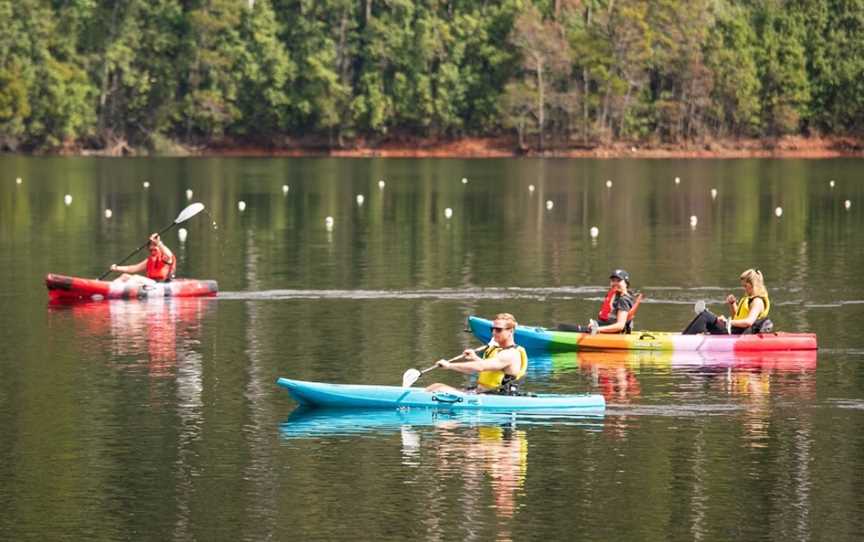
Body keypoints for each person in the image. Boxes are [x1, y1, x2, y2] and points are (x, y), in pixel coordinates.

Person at [426, 313, 528, 395]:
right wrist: (474, 358)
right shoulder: (499, 350)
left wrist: (449, 365)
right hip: (482, 392)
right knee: (435, 386)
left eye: (498, 330)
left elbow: (481, 367)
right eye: (492, 329)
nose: (493, 333)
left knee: (438, 390)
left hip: (496, 396)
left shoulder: (510, 354)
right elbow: (490, 368)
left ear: (510, 331)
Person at [683, 268, 772, 335]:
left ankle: (685, 339)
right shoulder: (749, 298)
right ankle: (686, 335)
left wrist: (726, 321)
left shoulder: (757, 301)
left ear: (753, 285)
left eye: (745, 286)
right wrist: (732, 304)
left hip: (736, 332)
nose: (744, 288)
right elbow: (737, 317)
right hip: (734, 329)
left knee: (706, 316)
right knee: (704, 315)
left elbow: (748, 322)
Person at [557, 269, 636, 334]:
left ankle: (545, 335)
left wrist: (598, 329)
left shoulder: (623, 300)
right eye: (613, 280)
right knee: (562, 327)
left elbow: (620, 326)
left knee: (562, 327)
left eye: (618, 281)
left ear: (626, 283)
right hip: (608, 329)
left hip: (615, 333)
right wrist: (596, 324)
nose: (614, 283)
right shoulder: (616, 296)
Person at [110, 233, 176, 285]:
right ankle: (109, 286)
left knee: (135, 277)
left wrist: (158, 243)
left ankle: (118, 290)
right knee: (124, 276)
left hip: (161, 284)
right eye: (151, 247)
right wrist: (117, 268)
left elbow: (169, 255)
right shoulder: (150, 260)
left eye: (154, 246)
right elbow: (133, 268)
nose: (152, 248)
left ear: (159, 247)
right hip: (152, 284)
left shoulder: (165, 258)